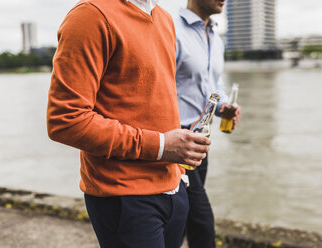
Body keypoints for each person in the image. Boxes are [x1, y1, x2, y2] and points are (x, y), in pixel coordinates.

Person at [46, 0, 212, 247]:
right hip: (125, 196)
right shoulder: (90, 15)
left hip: (174, 188)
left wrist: (176, 171)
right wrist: (161, 145)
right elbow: (66, 121)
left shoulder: (164, 18)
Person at [174, 0, 241, 247]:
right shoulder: (171, 29)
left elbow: (215, 84)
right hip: (176, 140)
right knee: (202, 221)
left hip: (201, 140)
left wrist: (224, 106)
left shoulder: (216, 37)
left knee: (181, 218)